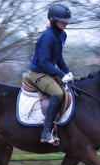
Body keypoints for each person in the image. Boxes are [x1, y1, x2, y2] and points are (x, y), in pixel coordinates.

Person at [29, 2, 75, 145]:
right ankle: (46, 131)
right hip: (38, 73)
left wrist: (68, 72)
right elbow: (43, 62)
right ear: (53, 20)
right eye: (62, 21)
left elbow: (58, 57)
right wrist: (61, 75)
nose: (65, 24)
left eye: (66, 21)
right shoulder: (48, 36)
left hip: (49, 72)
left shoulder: (62, 35)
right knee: (58, 94)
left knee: (73, 88)